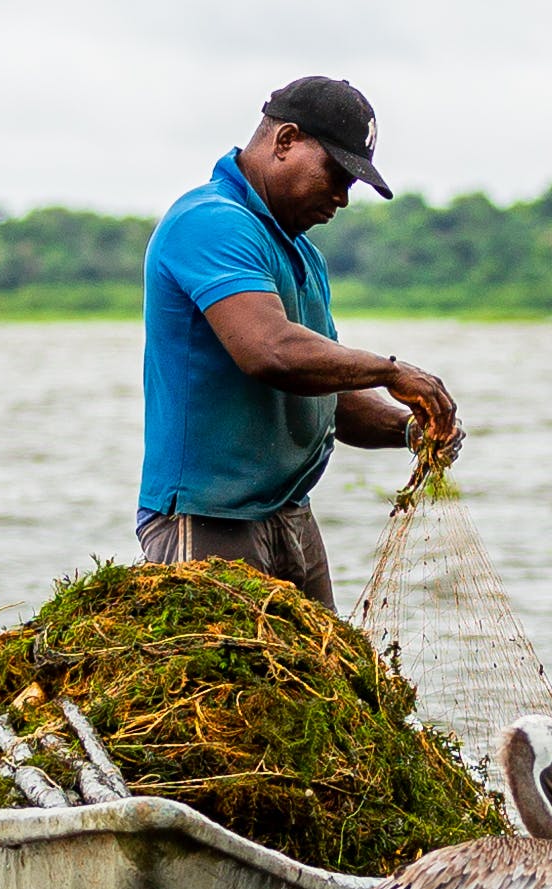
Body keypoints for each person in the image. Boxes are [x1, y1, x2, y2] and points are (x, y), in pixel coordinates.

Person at [134, 76, 456, 610]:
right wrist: (392, 371)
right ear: (285, 140)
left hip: (289, 516)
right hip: (210, 519)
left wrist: (408, 430)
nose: (342, 198)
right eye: (336, 174)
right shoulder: (211, 222)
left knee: (328, 689)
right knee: (226, 692)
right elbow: (270, 351)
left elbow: (325, 393)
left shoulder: (302, 254)